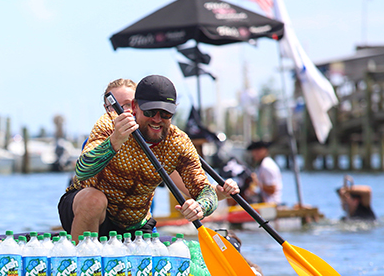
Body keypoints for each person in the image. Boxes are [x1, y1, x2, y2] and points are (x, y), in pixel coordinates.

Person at [58, 75, 234, 241]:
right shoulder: (109, 123)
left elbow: (203, 190)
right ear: (135, 107)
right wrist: (115, 141)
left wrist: (201, 207)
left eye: (165, 113)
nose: (157, 120)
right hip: (90, 211)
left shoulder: (178, 143)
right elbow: (81, 172)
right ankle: (81, 262)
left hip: (135, 223)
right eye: (150, 112)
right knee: (94, 200)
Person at [246, 140, 283, 205]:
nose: (255, 153)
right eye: (254, 151)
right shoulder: (263, 164)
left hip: (271, 203)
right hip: (266, 200)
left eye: (258, 151)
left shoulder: (267, 166)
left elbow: (272, 190)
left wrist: (256, 182)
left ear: (265, 150)